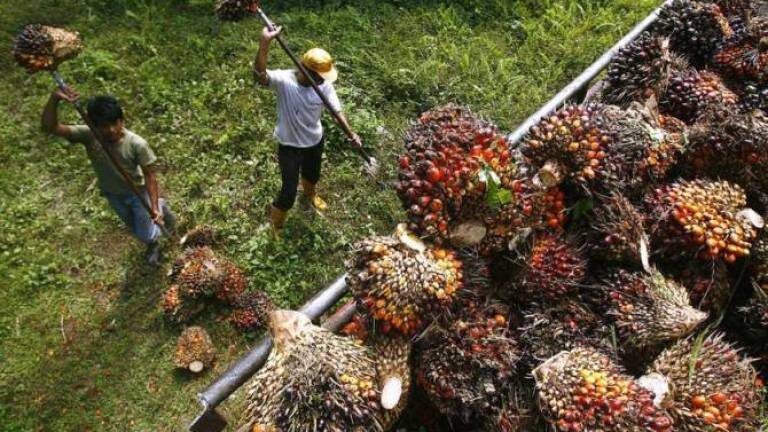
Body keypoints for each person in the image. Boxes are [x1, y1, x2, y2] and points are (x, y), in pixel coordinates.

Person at [41, 86, 175, 265]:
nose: (111, 130)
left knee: (144, 231)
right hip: (113, 194)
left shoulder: (136, 144)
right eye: (104, 126)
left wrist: (154, 209)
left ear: (122, 120)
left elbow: (150, 175)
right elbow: (50, 127)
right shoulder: (89, 135)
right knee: (133, 227)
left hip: (137, 192)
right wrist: (54, 98)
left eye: (115, 123)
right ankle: (155, 224)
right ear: (93, 125)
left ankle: (156, 222)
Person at [254, 26, 362, 240]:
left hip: (314, 141)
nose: (325, 81)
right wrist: (265, 42)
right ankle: (276, 223)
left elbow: (336, 112)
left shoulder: (324, 86)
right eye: (320, 77)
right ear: (305, 71)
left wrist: (351, 134)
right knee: (288, 191)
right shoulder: (284, 81)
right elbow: (259, 76)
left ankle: (311, 194)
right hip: (290, 146)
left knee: (313, 175)